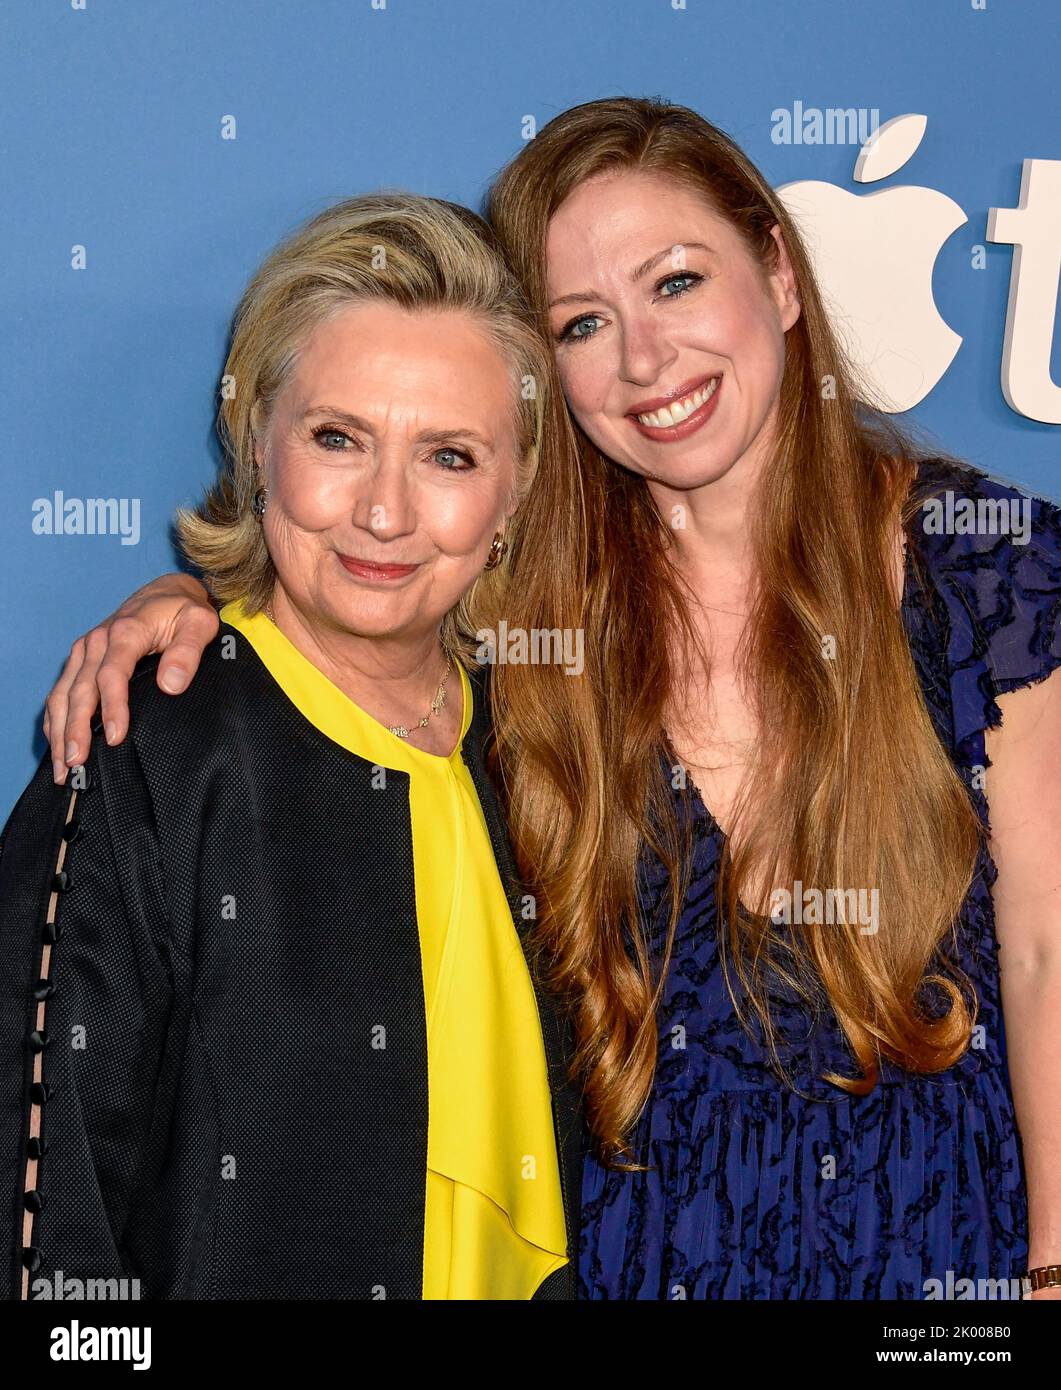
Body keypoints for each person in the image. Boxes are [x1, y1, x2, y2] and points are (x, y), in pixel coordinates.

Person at [37, 98, 1061, 1300]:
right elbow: (352, 599)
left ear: (778, 273)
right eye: (584, 321)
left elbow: (1044, 952)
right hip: (637, 1263)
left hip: (940, 1261)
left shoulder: (984, 570)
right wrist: (184, 607)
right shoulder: (522, 627)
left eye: (676, 283)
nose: (644, 359)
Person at [1, 192, 582, 1301]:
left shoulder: (553, 756)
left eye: (449, 456)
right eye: (337, 438)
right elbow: (47, 1202)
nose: (381, 512)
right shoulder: (150, 737)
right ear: (256, 444)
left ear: (512, 498)